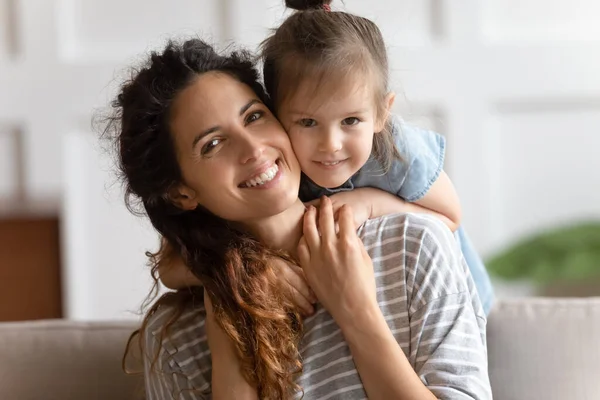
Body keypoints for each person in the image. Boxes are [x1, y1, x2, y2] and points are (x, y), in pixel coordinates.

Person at [107, 38, 491, 399]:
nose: (253, 148)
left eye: (254, 116)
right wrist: (230, 327)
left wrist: (357, 312)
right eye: (213, 143)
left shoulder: (413, 245)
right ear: (181, 192)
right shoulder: (175, 338)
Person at [162, 0, 495, 314]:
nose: (331, 144)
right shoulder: (276, 168)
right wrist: (245, 267)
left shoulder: (396, 152)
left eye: (350, 121)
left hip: (458, 298)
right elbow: (170, 269)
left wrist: (370, 204)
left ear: (382, 113)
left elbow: (449, 219)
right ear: (276, 114)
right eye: (307, 122)